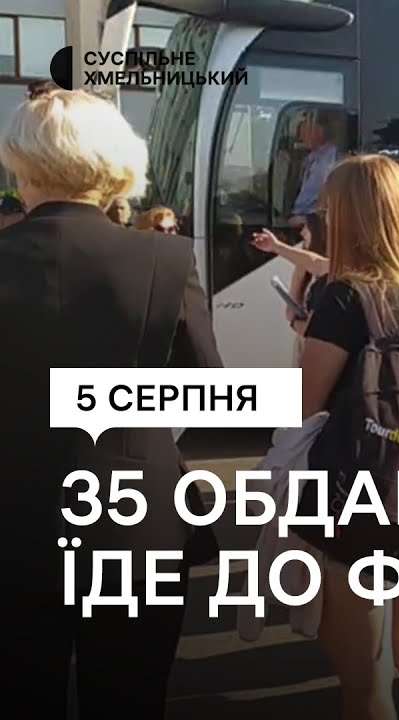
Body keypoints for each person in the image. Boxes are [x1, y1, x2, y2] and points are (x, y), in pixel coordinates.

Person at [0, 86, 221, 719]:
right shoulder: (166, 258)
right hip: (133, 520)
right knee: (129, 700)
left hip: (12, 524)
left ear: (22, 163)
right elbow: (206, 390)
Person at [297, 154, 399, 720]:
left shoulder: (342, 296)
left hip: (356, 491)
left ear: (349, 216)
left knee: (365, 677)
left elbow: (305, 403)